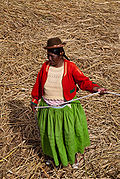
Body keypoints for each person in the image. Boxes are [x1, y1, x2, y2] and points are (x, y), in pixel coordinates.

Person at [31, 37, 106, 168]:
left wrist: (96, 88)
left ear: (60, 53)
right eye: (48, 55)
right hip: (48, 109)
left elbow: (84, 81)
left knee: (68, 135)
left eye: (52, 56)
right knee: (51, 136)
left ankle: (73, 157)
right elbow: (38, 85)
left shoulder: (70, 67)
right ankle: (53, 157)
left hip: (65, 109)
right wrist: (34, 99)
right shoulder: (45, 67)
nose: (49, 59)